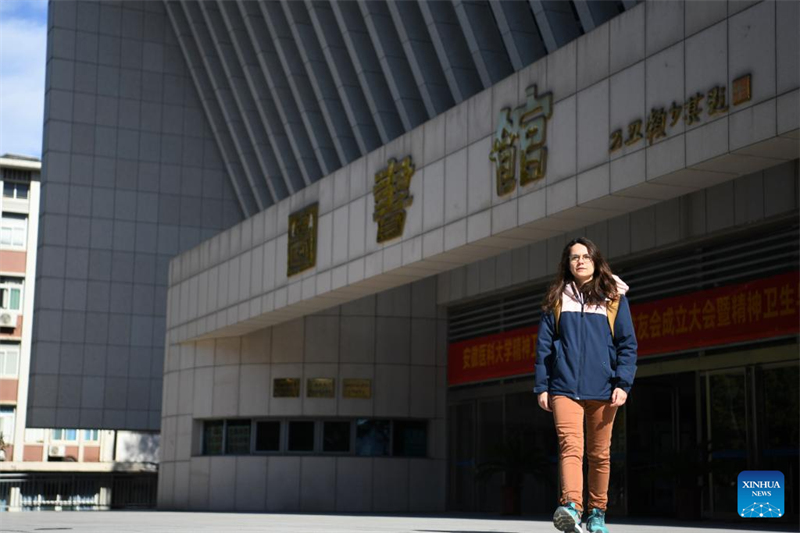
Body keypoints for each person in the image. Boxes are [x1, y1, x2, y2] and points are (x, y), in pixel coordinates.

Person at [534, 237, 637, 533]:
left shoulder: (613, 297)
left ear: (595, 260)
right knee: (570, 447)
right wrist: (543, 386)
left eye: (585, 256)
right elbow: (543, 347)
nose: (579, 261)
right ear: (567, 264)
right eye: (573, 257)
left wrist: (623, 383)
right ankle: (570, 507)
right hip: (564, 387)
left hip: (605, 389)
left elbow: (627, 344)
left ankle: (597, 512)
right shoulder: (557, 298)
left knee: (599, 454)